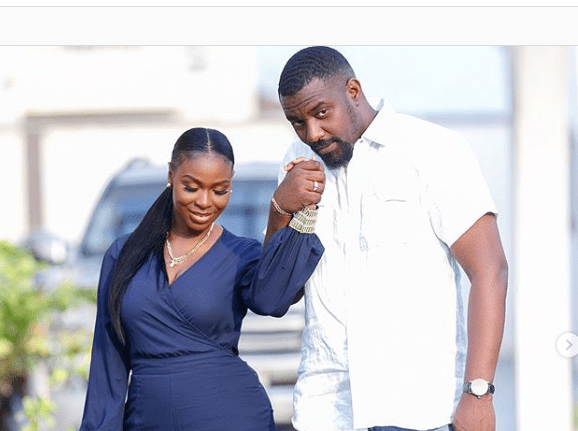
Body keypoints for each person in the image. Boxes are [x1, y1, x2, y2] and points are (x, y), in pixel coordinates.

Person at [271, 46, 509, 431]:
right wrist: (280, 206)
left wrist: (478, 393)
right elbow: (279, 292)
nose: (312, 133)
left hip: (420, 408)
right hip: (325, 410)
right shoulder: (298, 160)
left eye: (321, 113)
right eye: (297, 122)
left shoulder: (433, 149)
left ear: (353, 91)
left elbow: (490, 270)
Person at [78, 127, 326, 431]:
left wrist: (282, 210)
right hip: (147, 421)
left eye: (219, 190)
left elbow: (271, 300)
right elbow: (108, 364)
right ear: (171, 175)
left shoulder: (241, 254)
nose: (205, 202)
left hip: (232, 418)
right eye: (191, 187)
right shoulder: (123, 254)